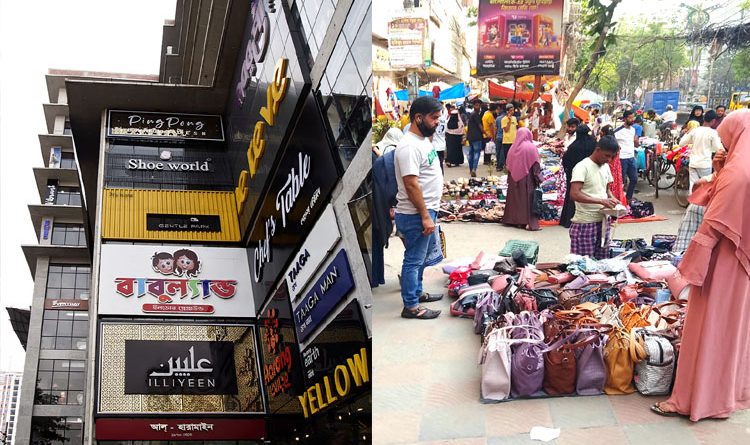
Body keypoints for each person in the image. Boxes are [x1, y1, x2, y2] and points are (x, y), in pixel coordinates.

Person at [650, 110, 749, 421]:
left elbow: (713, 223)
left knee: (706, 328)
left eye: (726, 137)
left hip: (720, 261)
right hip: (740, 265)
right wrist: (720, 169)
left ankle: (691, 400)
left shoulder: (737, 175)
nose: (723, 143)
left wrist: (688, 268)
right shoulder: (738, 169)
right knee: (730, 330)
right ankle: (723, 396)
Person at [393, 96, 445, 319]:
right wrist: (425, 216)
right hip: (415, 214)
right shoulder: (408, 146)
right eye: (434, 118)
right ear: (418, 118)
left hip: (426, 210)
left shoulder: (422, 140)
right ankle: (411, 306)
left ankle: (417, 293)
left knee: (421, 259)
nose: (437, 122)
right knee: (413, 260)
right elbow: (411, 184)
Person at [568, 135, 621, 259]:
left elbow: (606, 189)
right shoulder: (582, 167)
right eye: (607, 155)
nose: (609, 159)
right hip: (585, 223)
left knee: (602, 262)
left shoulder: (605, 166)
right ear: (598, 150)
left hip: (603, 221)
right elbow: (574, 194)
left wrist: (612, 199)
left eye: (612, 157)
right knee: (583, 263)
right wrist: (601, 201)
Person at [502, 128, 544, 231]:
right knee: (526, 200)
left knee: (515, 200)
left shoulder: (513, 147)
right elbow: (535, 164)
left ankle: (515, 220)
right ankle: (527, 222)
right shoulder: (531, 147)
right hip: (527, 178)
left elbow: (508, 165)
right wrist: (539, 178)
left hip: (514, 179)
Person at [560, 124, 597, 228]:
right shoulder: (594, 145)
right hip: (591, 174)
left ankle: (568, 220)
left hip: (574, 175)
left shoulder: (574, 146)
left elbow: (565, 160)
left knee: (572, 196)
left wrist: (569, 171)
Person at [679, 109, 723, 190]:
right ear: (713, 121)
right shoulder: (713, 133)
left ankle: (692, 198)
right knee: (704, 187)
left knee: (693, 186)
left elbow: (681, 143)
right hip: (705, 164)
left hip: (693, 163)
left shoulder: (695, 130)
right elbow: (718, 149)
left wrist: (688, 133)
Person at [614, 110, 639, 204]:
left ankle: (628, 198)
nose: (632, 119)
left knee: (634, 179)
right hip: (622, 158)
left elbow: (635, 142)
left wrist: (636, 142)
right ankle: (619, 199)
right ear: (625, 119)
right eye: (630, 118)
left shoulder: (633, 130)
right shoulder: (618, 130)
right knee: (621, 181)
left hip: (631, 157)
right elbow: (611, 139)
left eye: (633, 117)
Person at [466, 99, 485, 177]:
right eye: (477, 105)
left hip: (470, 136)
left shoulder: (471, 114)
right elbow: (479, 125)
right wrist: (484, 132)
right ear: (473, 106)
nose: (478, 107)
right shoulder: (476, 114)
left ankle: (471, 170)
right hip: (477, 136)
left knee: (471, 153)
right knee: (476, 153)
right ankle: (474, 169)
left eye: (479, 105)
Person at [500, 103, 519, 171]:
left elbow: (516, 128)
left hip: (514, 141)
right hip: (507, 141)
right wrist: (509, 121)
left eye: (513, 110)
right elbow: (506, 130)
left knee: (514, 156)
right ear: (507, 111)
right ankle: (507, 168)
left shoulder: (514, 118)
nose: (512, 112)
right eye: (510, 110)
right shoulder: (504, 119)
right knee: (507, 156)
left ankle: (513, 168)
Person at [432, 103, 448, 173]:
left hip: (434, 145)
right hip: (442, 144)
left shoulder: (434, 119)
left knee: (435, 165)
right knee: (440, 164)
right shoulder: (444, 119)